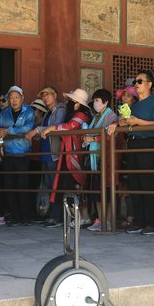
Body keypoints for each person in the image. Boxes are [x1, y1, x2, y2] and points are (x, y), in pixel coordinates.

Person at [118, 70, 154, 235]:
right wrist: (123, 122)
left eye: (140, 81)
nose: (136, 84)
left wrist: (138, 122)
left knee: (148, 183)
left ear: (149, 84)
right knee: (135, 183)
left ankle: (153, 223)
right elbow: (129, 125)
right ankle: (138, 221)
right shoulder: (135, 105)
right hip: (133, 144)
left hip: (148, 143)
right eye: (135, 82)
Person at [41, 89, 92, 227]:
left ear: (77, 103)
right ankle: (76, 217)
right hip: (68, 153)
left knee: (77, 185)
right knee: (69, 186)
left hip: (75, 155)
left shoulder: (82, 115)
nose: (68, 102)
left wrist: (52, 127)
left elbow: (70, 127)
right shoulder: (74, 114)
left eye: (70, 100)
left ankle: (84, 217)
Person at [26, 87, 66, 228]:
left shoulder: (60, 110)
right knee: (49, 185)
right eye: (43, 96)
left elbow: (56, 126)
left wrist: (36, 130)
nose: (45, 98)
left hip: (54, 153)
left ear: (55, 95)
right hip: (46, 153)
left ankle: (57, 216)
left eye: (48, 95)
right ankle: (52, 215)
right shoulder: (48, 112)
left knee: (54, 185)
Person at [0, 86, 35, 226]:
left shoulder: (28, 111)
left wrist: (8, 131)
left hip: (22, 154)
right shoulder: (4, 112)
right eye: (11, 98)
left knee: (22, 186)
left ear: (22, 98)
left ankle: (25, 216)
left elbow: (28, 127)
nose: (13, 100)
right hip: (8, 154)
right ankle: (14, 215)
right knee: (9, 186)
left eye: (16, 97)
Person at [83, 89, 119, 231]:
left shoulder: (111, 116)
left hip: (107, 157)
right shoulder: (96, 116)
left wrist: (91, 138)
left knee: (108, 189)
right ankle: (100, 218)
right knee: (97, 189)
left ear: (106, 102)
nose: (96, 103)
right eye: (95, 100)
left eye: (98, 100)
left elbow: (110, 135)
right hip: (95, 157)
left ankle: (109, 220)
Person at [108, 85, 139, 229]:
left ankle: (132, 217)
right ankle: (122, 216)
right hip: (122, 151)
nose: (125, 97)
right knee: (122, 184)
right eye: (124, 95)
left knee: (130, 185)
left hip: (133, 149)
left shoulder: (137, 111)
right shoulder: (120, 113)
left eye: (128, 95)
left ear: (134, 98)